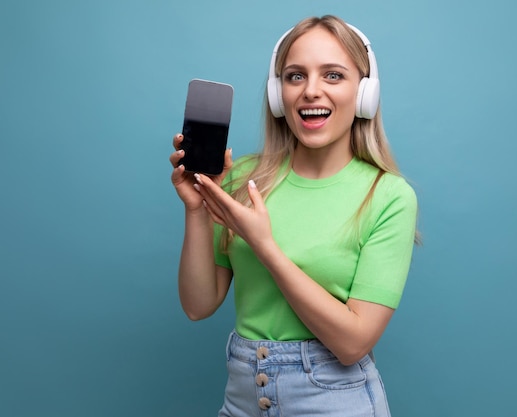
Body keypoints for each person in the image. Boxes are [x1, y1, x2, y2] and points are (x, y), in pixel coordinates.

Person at [169, 15, 419, 417]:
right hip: (242, 401)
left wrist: (264, 246)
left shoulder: (388, 196)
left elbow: (353, 343)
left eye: (333, 75)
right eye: (295, 76)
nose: (311, 91)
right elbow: (198, 305)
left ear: (364, 94)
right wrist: (198, 209)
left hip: (334, 401)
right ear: (276, 93)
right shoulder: (244, 178)